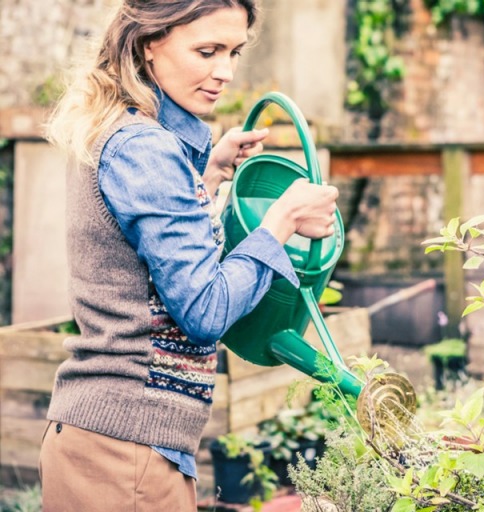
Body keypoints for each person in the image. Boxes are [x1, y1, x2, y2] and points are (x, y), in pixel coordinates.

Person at [40, 1, 339, 510]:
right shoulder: (145, 148)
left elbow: (146, 254)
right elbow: (204, 309)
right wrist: (278, 225)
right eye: (207, 51)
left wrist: (210, 173)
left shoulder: (125, 129)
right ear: (149, 41)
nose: (224, 71)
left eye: (234, 52)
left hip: (108, 441)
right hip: (125, 454)